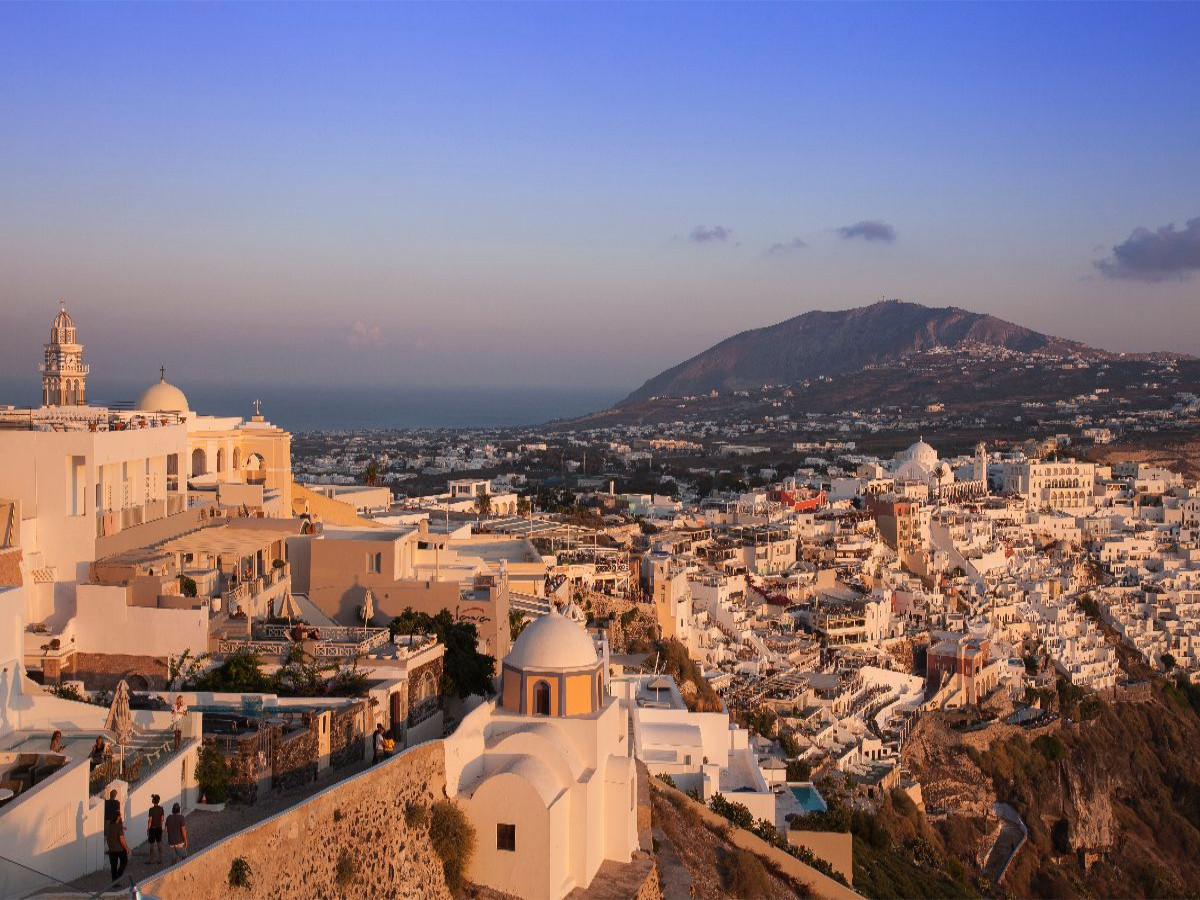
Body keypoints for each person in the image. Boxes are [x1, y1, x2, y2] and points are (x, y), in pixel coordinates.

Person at [105, 812, 129, 882]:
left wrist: (109, 846)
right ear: (118, 817)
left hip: (111, 849)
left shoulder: (109, 825)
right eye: (120, 816)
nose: (121, 817)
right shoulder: (119, 826)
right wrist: (127, 848)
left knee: (113, 866)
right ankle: (117, 879)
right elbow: (121, 839)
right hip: (120, 849)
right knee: (124, 862)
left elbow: (108, 837)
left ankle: (114, 881)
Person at [146, 794, 165, 863]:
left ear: (154, 801)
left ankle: (151, 859)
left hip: (152, 829)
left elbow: (150, 820)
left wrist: (148, 829)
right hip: (159, 828)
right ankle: (161, 859)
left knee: (152, 845)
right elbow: (162, 819)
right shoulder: (161, 809)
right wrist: (160, 826)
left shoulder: (151, 810)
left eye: (152, 799)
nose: (152, 800)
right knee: (159, 843)